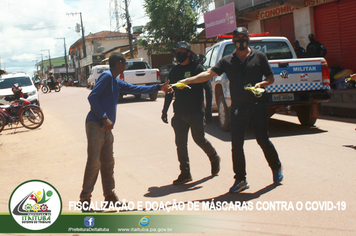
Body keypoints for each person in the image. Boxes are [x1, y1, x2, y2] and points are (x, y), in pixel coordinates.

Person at [178, 27, 283, 193]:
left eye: (243, 37)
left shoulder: (260, 57)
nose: (240, 40)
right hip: (238, 108)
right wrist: (188, 80)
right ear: (233, 41)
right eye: (237, 38)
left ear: (248, 38)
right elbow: (208, 74)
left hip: (258, 105)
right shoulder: (227, 60)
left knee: (263, 140)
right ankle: (240, 179)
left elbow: (270, 77)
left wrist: (261, 84)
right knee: (237, 144)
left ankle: (276, 167)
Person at [79, 52, 171, 211]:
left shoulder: (115, 80)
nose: (126, 66)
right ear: (119, 63)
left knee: (108, 163)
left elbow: (134, 88)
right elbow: (92, 97)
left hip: (106, 128)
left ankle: (110, 197)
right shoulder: (107, 77)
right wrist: (104, 117)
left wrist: (157, 87)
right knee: (94, 163)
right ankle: (85, 199)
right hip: (96, 125)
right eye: (125, 63)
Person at [161, 41, 220, 185]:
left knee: (199, 139)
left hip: (195, 113)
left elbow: (208, 89)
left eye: (181, 51)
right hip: (180, 114)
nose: (178, 54)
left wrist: (208, 111)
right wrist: (164, 110)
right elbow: (169, 91)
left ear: (188, 53)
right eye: (177, 51)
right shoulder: (174, 71)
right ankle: (185, 173)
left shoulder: (197, 68)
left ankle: (213, 157)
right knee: (180, 144)